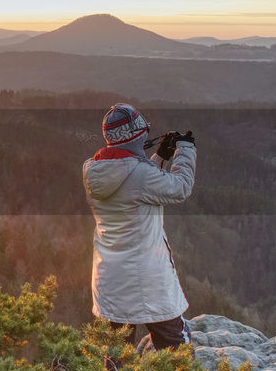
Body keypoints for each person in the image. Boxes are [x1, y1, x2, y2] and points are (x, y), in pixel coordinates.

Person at [82, 103, 196, 354]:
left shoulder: (93, 170)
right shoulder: (141, 175)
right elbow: (180, 187)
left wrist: (159, 158)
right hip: (148, 279)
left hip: (109, 281)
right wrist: (185, 149)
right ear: (139, 135)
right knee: (177, 355)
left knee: (116, 361)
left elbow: (132, 180)